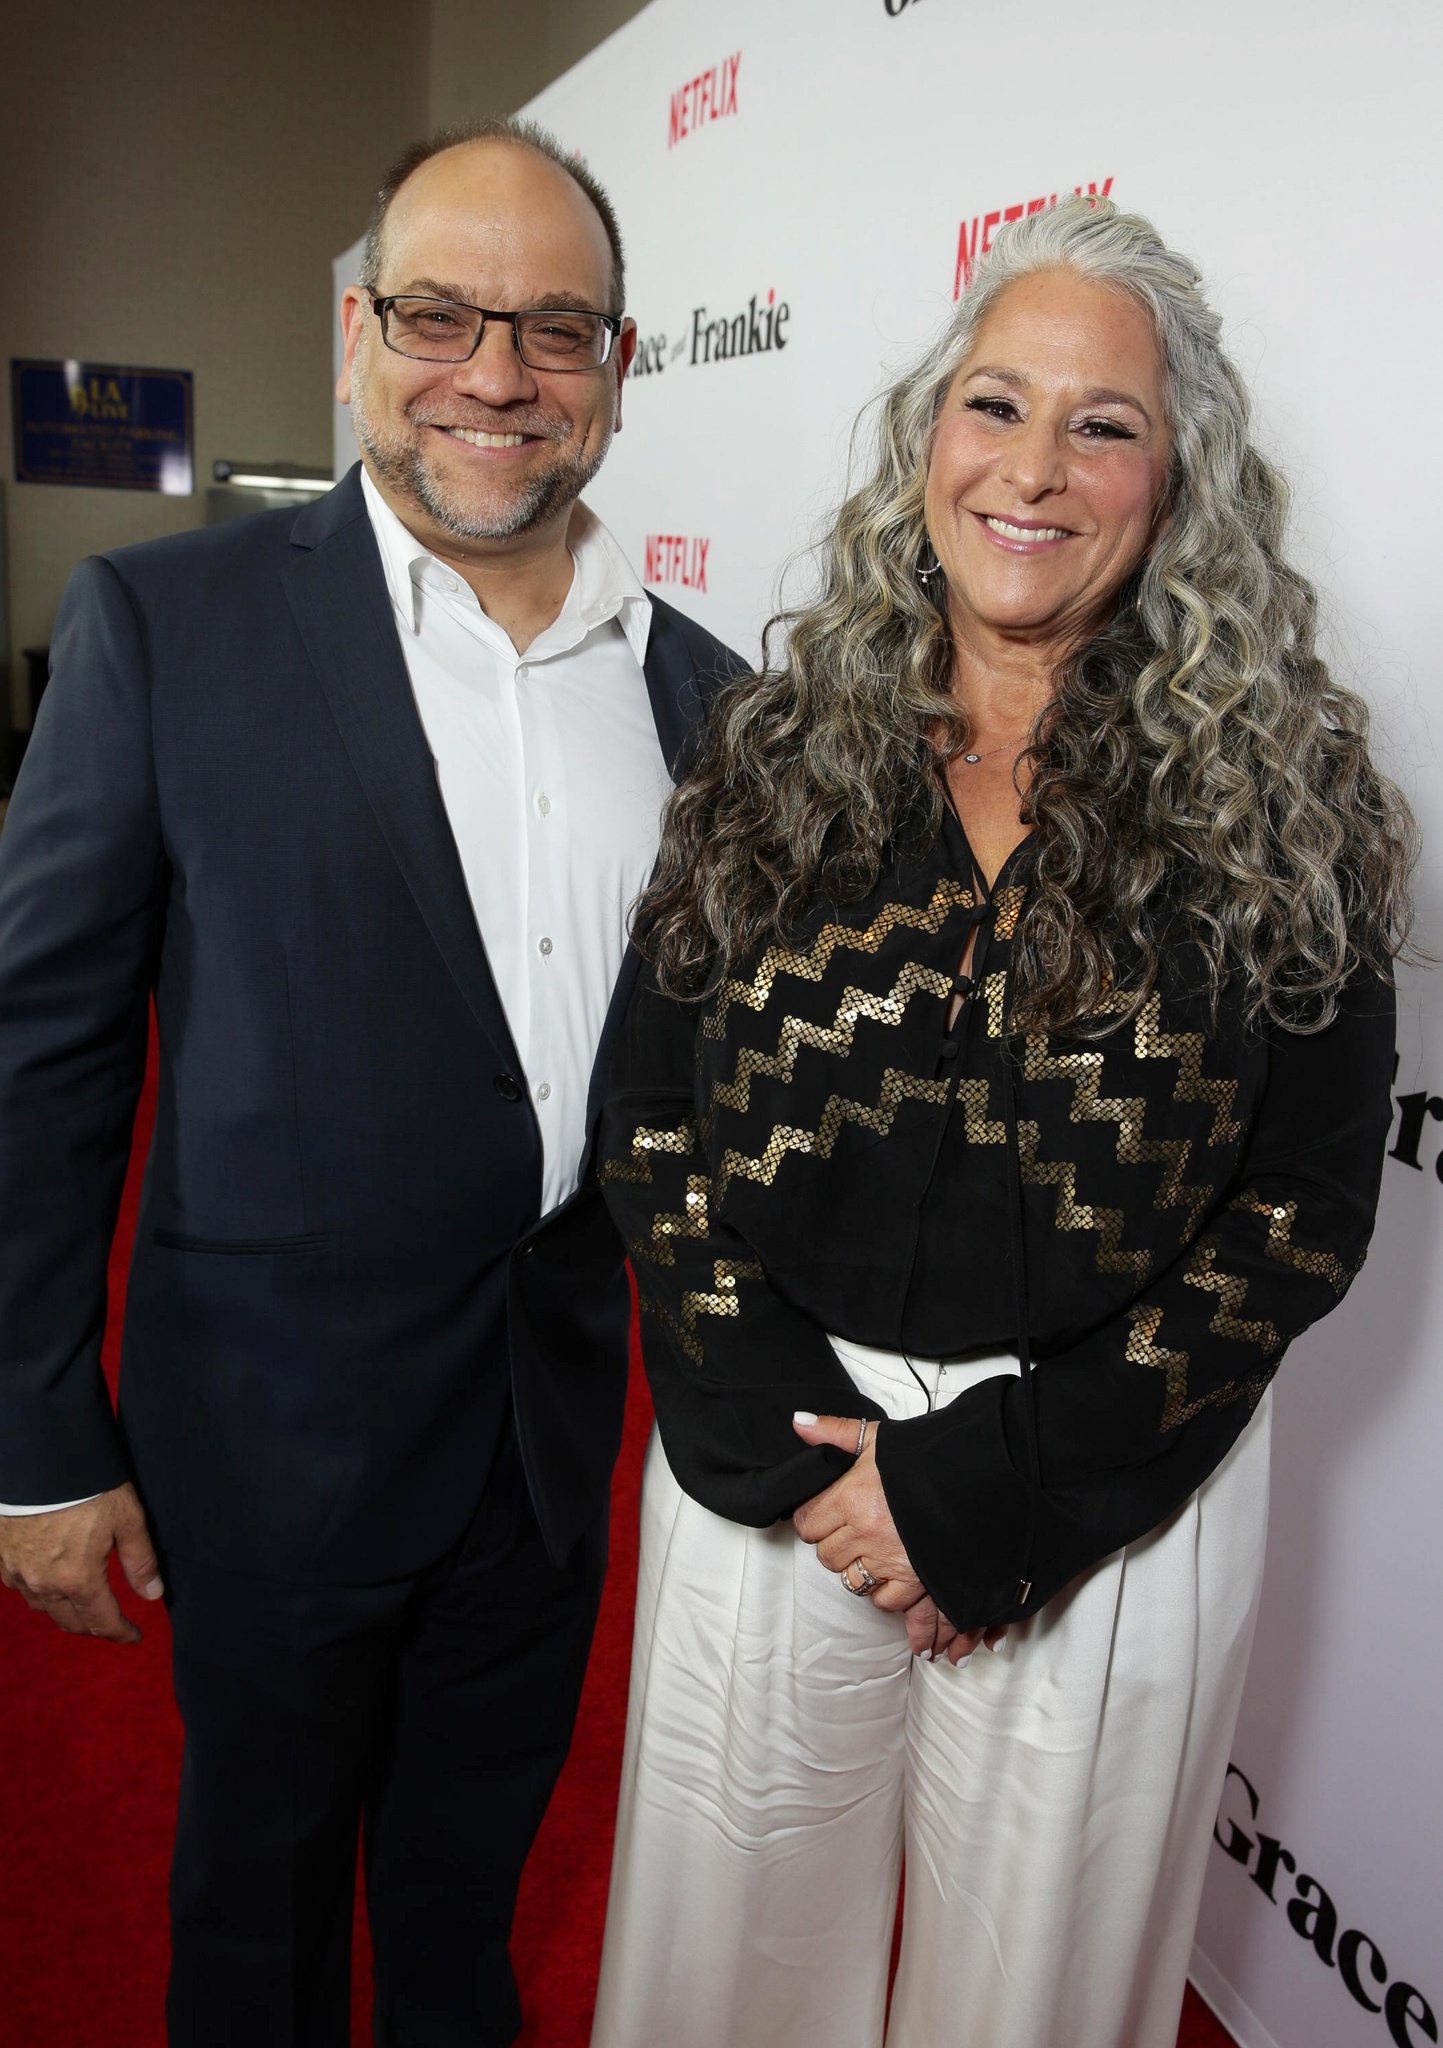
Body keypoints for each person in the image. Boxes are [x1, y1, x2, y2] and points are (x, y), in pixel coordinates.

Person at [592, 198, 1413, 2048]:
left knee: (1031, 2006)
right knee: (720, 1987)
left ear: (1178, 477)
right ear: (927, 440)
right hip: (772, 1465)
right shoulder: (771, 746)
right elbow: (647, 1113)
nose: (1034, 469)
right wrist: (800, 1452)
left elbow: (1301, 1209)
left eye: (1102, 424)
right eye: (996, 404)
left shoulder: (1298, 794)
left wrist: (1001, 1483)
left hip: (1108, 1498)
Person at [0, 118, 739, 2047]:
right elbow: (41, 1062)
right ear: (357, 336)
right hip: (264, 1444)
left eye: (554, 329)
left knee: (459, 1905)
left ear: (619, 369)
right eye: (440, 313)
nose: (495, 374)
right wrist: (39, 1440)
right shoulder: (167, 629)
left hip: (550, 1433)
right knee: (255, 1920)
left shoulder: (709, 699)